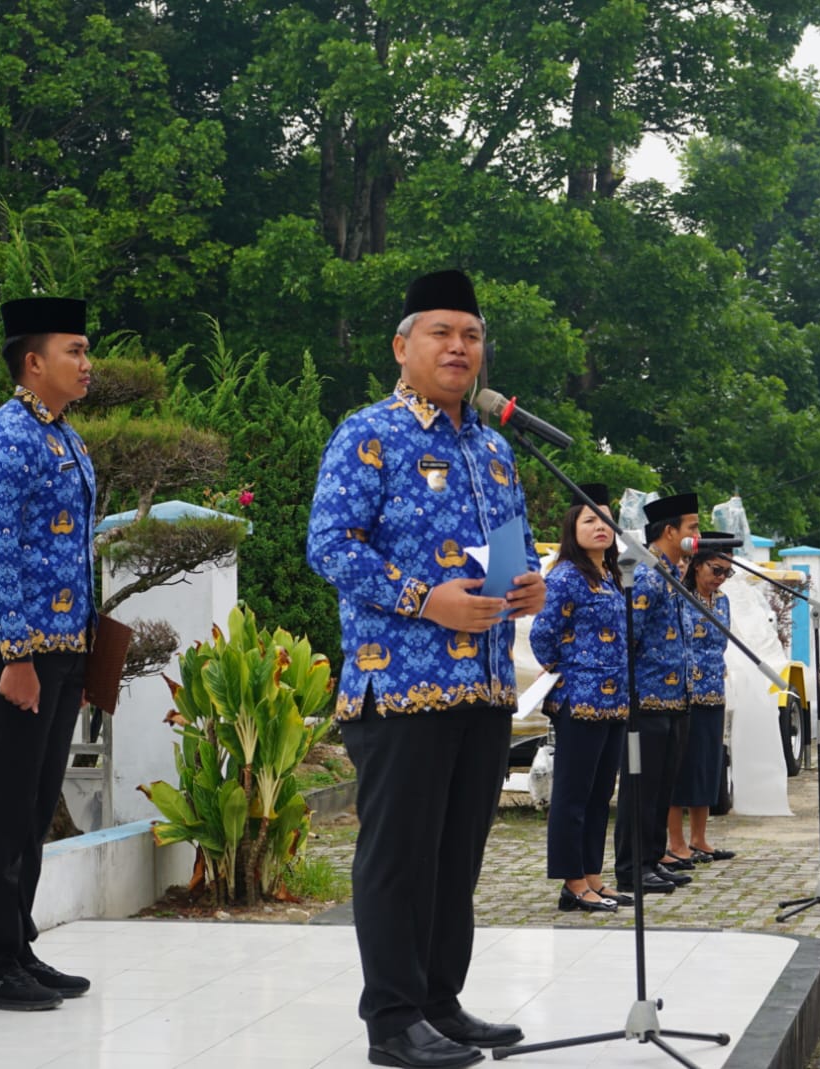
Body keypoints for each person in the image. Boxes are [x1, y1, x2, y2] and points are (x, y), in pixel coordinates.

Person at [307, 269, 545, 1069]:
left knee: (457, 856)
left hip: (482, 684)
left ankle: (441, 1001)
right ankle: (393, 1018)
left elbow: (507, 547)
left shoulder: (494, 445)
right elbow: (331, 546)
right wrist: (424, 598)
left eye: (471, 335)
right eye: (441, 333)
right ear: (402, 347)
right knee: (400, 855)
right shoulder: (367, 433)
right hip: (398, 679)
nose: (458, 347)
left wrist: (528, 582)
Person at [0, 297, 97, 1011]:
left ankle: (16, 946)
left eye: (86, 349)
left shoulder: (63, 435)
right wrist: (17, 655)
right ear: (32, 361)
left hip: (62, 652)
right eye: (73, 349)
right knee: (3, 809)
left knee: (35, 807)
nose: (86, 362)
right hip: (15, 656)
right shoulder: (6, 436)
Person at [529, 484, 633, 914]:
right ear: (573, 528)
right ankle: (572, 883)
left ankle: (593, 877)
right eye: (590, 520)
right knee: (573, 794)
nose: (600, 527)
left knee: (598, 795)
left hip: (615, 701)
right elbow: (541, 634)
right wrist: (564, 669)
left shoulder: (610, 576)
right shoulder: (565, 576)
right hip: (580, 699)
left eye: (605, 520)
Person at [614, 493, 700, 896]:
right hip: (646, 701)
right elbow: (627, 637)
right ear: (670, 532)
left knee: (662, 787)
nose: (696, 536)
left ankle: (652, 859)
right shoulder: (647, 575)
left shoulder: (671, 573)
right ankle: (632, 867)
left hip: (674, 700)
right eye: (692, 528)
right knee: (641, 790)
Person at [666, 543, 737, 866]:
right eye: (715, 570)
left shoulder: (722, 602)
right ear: (697, 566)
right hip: (685, 693)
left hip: (713, 692)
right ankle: (676, 842)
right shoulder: (680, 595)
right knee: (680, 768)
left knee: (708, 766)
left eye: (727, 572)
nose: (720, 578)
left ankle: (700, 838)